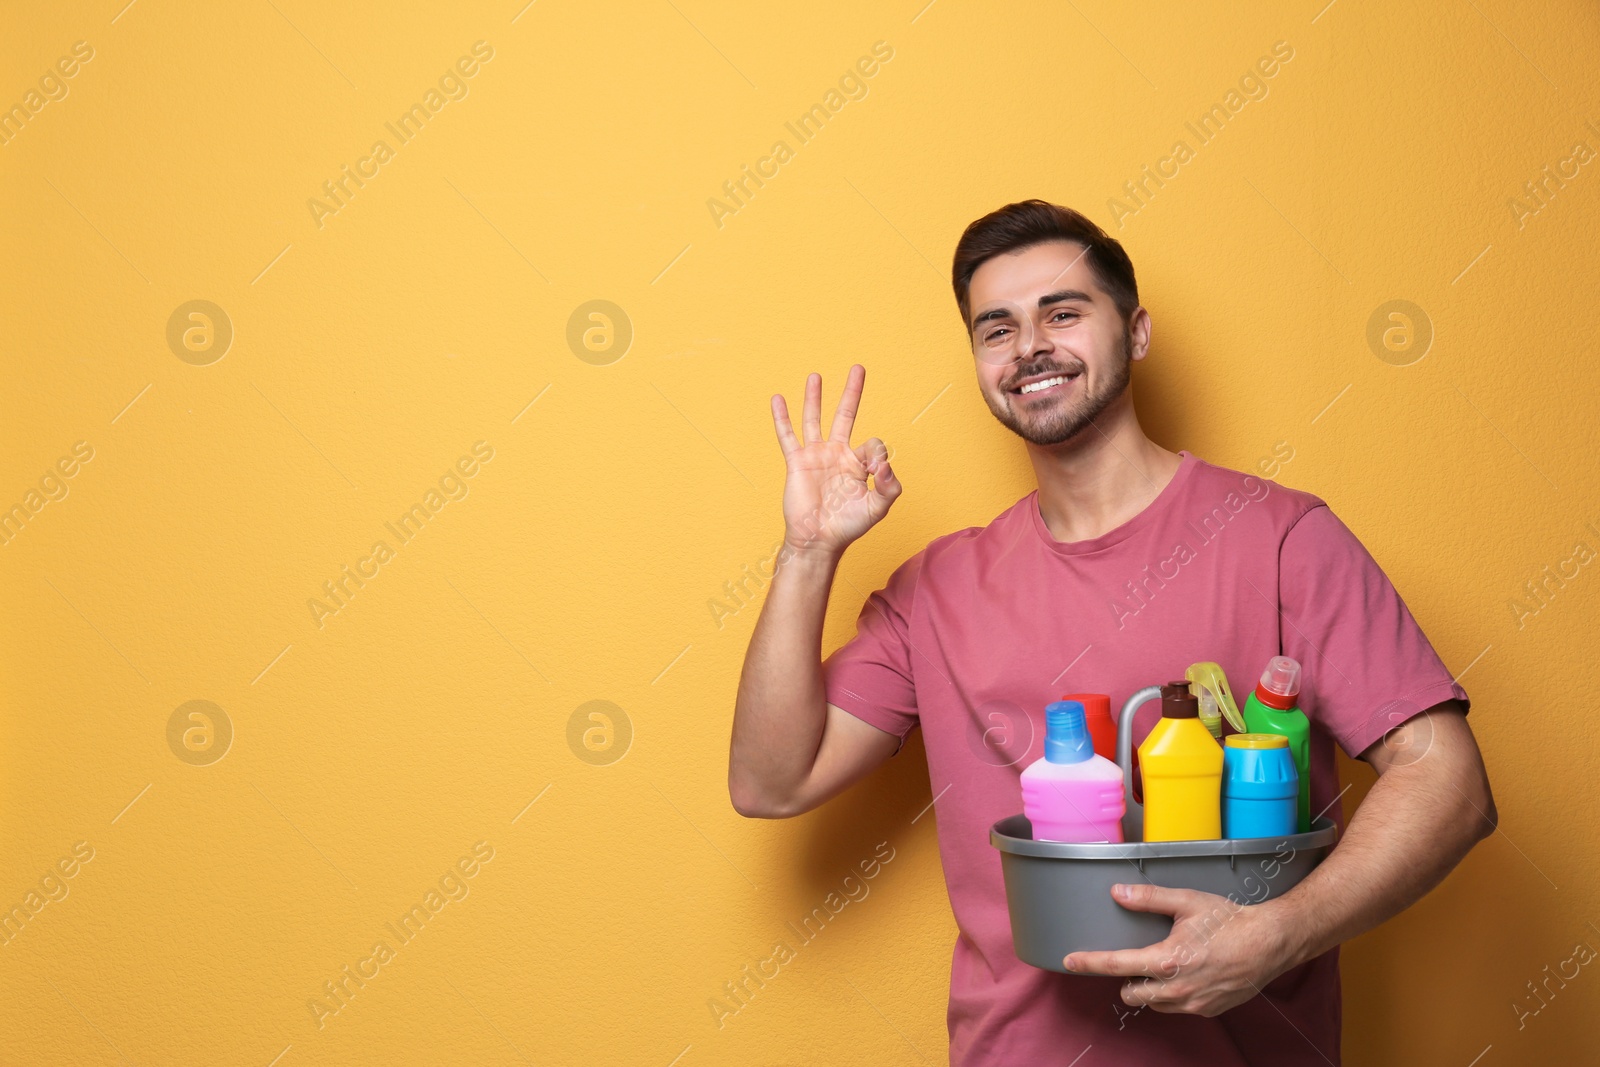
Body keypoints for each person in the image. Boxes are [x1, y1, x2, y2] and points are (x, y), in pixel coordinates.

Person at [726, 199, 1496, 1065]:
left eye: (1062, 313)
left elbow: (1449, 781)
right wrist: (806, 551)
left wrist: (1281, 933)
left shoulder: (1281, 538)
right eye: (997, 329)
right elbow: (771, 779)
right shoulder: (935, 590)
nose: (1030, 348)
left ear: (1135, 333)